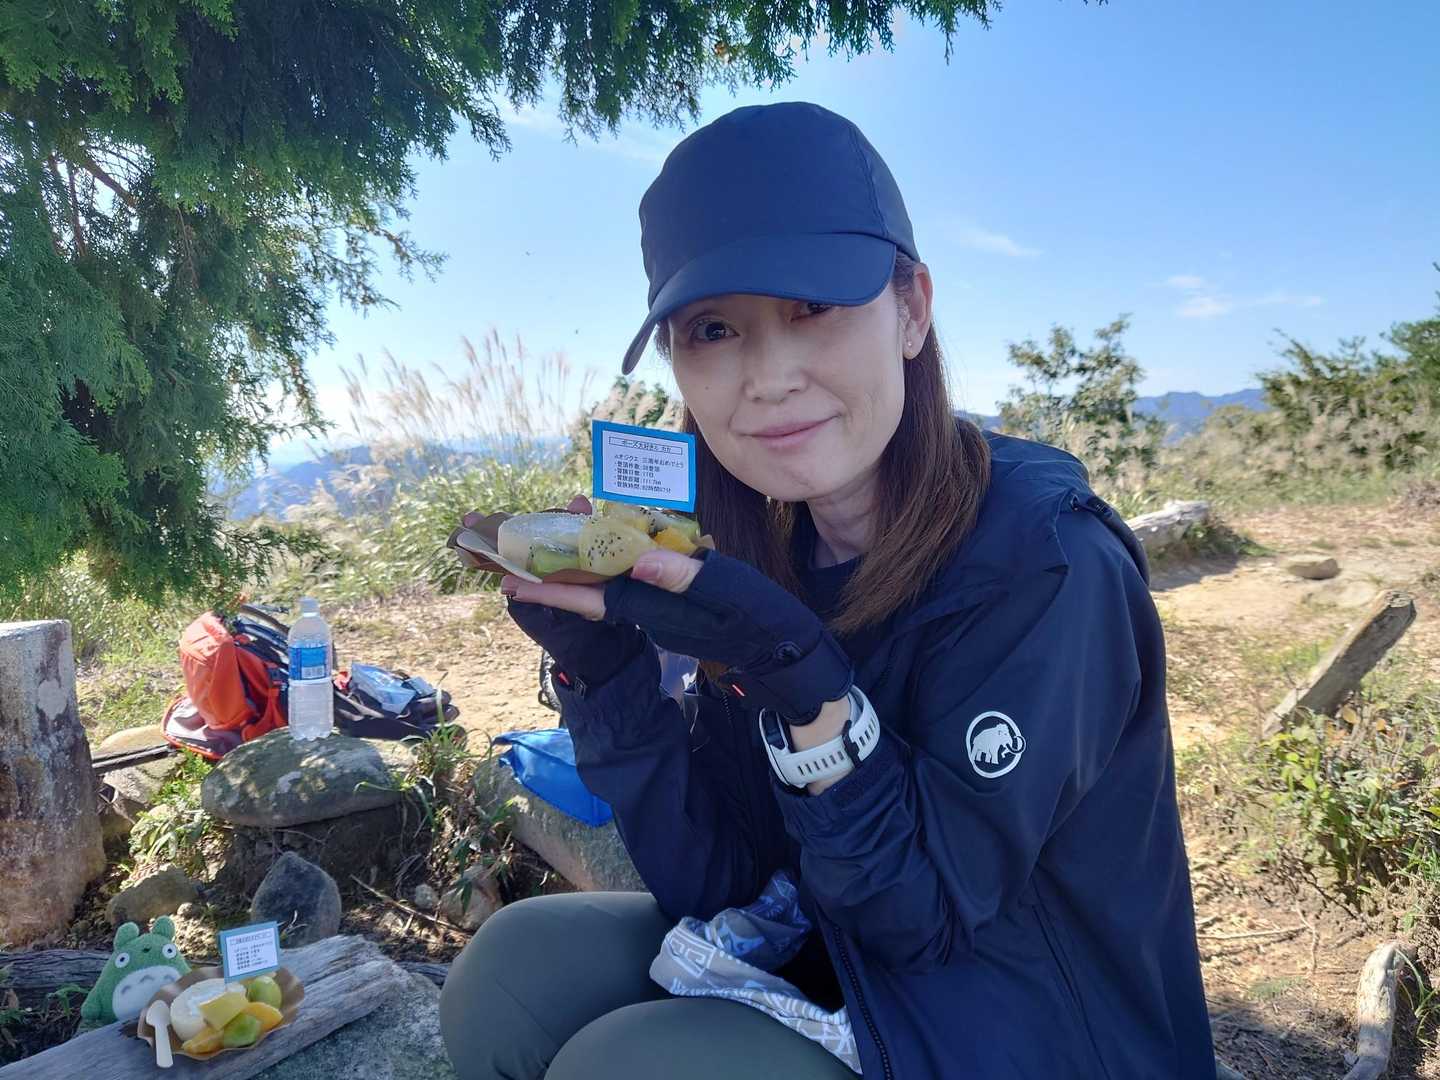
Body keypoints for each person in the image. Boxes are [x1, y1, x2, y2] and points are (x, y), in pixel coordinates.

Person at [439, 101, 1215, 1079]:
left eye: (813, 307)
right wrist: (610, 679)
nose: (768, 377)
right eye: (714, 328)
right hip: (835, 956)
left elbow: (921, 919)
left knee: (627, 1067)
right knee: (512, 975)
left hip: (1036, 1025)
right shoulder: (756, 552)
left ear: (912, 310)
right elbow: (719, 882)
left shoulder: (1048, 565)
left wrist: (812, 694)